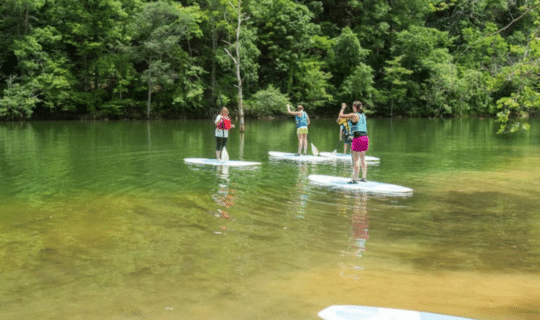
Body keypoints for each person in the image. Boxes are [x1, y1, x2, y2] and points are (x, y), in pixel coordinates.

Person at [338, 101, 369, 183]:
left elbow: (340, 116)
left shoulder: (354, 115)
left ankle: (355, 179)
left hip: (358, 138)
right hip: (365, 137)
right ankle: (364, 178)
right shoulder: (363, 116)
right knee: (363, 158)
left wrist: (343, 108)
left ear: (354, 107)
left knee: (356, 159)